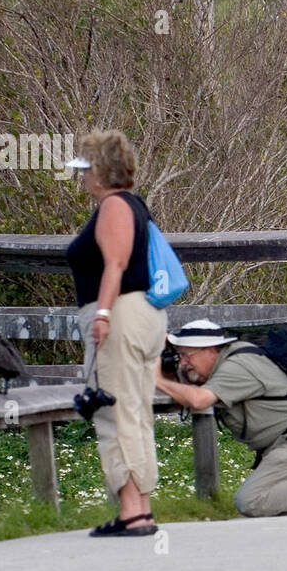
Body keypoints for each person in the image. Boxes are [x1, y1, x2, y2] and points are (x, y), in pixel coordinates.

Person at [154, 320, 287, 516]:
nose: (183, 363)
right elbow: (189, 389)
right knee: (270, 498)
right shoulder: (231, 359)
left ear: (210, 350)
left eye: (186, 355)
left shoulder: (236, 367)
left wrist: (157, 380)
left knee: (251, 500)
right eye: (180, 356)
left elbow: (199, 400)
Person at [65, 130, 168, 537]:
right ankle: (140, 507)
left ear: (101, 171)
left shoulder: (113, 207)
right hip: (144, 314)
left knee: (113, 409)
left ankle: (131, 511)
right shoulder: (137, 205)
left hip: (121, 313)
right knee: (136, 411)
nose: (83, 178)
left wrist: (102, 314)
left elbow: (116, 262)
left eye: (86, 169)